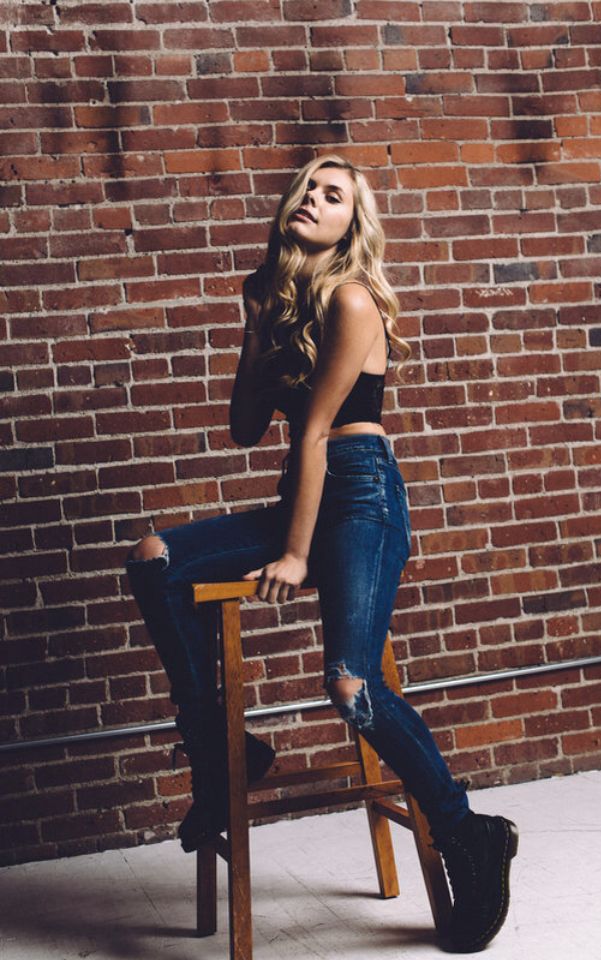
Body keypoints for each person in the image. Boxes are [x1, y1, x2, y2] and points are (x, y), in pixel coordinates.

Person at [125, 154, 518, 953]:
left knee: (351, 683)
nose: (313, 198)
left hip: (361, 498)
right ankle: (225, 753)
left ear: (351, 226)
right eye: (307, 187)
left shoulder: (350, 298)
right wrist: (256, 318)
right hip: (304, 490)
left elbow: (314, 434)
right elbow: (245, 428)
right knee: (154, 558)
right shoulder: (281, 300)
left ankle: (471, 830)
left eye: (333, 195)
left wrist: (296, 554)